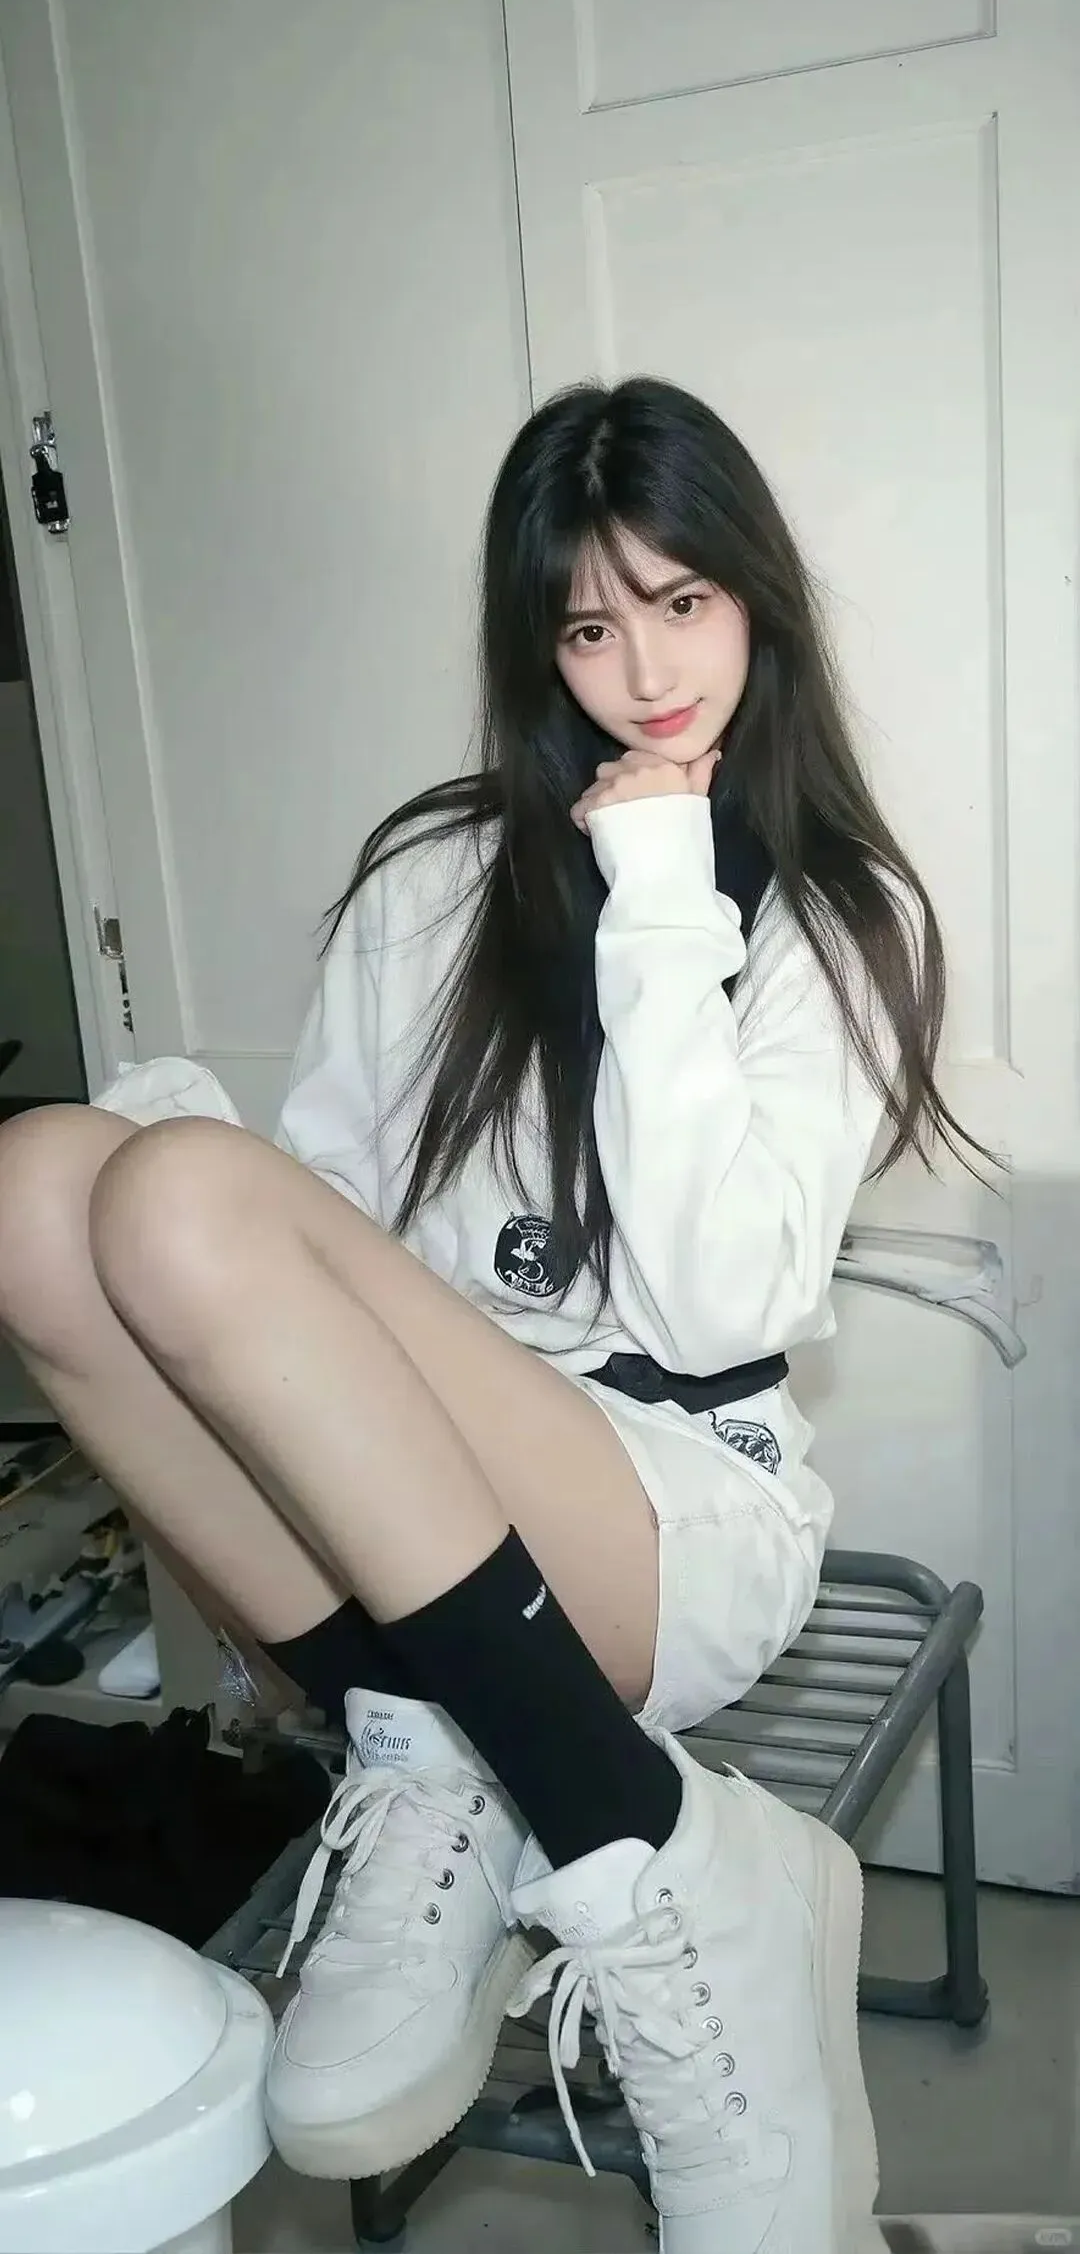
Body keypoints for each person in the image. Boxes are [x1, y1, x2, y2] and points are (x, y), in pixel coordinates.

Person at [0, 378, 976, 2252]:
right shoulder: (434, 876)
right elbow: (316, 1240)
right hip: (407, 1507)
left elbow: (716, 1292)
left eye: (681, 602)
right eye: (590, 628)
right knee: (48, 1188)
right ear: (537, 649)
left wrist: (662, 887)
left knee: (185, 1194)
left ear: (757, 601)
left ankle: (656, 1852)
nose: (644, 671)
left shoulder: (840, 919)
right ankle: (427, 1744)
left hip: (671, 1504)